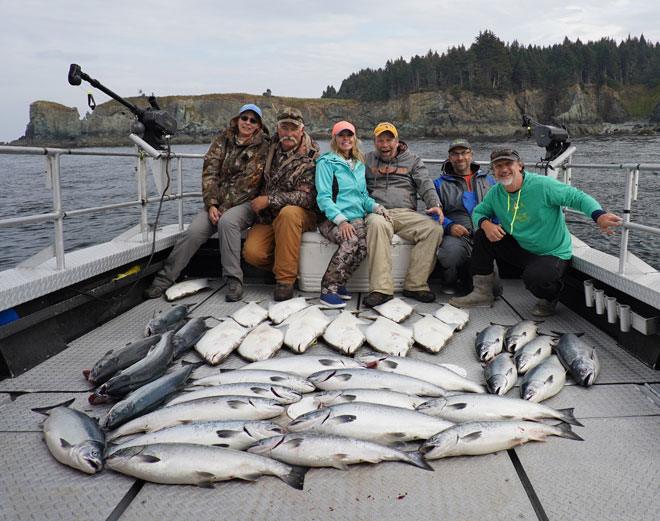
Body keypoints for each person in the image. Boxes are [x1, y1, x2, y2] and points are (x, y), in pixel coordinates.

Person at [450, 147, 623, 316]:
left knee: (535, 278)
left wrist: (598, 216)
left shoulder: (542, 185)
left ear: (520, 165)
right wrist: (486, 224)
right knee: (482, 234)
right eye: (498, 166)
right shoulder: (496, 192)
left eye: (508, 164)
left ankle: (551, 297)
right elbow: (479, 212)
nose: (504, 169)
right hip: (521, 248)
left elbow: (577, 197)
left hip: (551, 252)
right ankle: (482, 293)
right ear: (493, 171)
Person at [143, 104, 269, 301]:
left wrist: (222, 209)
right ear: (237, 119)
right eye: (245, 118)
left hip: (246, 203)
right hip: (217, 203)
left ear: (259, 125)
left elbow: (249, 183)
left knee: (228, 222)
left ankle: (234, 281)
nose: (248, 122)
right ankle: (163, 280)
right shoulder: (222, 140)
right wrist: (211, 204)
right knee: (193, 232)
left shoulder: (265, 145)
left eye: (253, 120)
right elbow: (209, 173)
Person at [362, 122, 444, 307]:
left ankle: (415, 285)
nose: (385, 145)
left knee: (434, 229)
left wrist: (434, 204)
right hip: (378, 211)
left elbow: (425, 183)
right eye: (380, 140)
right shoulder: (365, 159)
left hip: (406, 212)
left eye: (389, 140)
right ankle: (381, 289)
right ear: (374, 142)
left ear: (397, 141)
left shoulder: (413, 160)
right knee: (377, 225)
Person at [242, 107, 320, 301]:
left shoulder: (312, 157)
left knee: (289, 213)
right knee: (253, 254)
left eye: (293, 129)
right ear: (277, 129)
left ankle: (285, 281)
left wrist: (269, 200)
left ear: (302, 130)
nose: (289, 133)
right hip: (268, 217)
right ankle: (289, 265)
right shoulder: (268, 148)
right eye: (284, 128)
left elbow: (306, 198)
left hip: (301, 215)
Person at [315, 121, 389, 308]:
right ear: (335, 139)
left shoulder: (358, 164)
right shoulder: (326, 162)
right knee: (351, 241)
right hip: (331, 218)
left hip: (356, 216)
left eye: (349, 135)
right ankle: (327, 289)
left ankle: (340, 283)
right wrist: (341, 221)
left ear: (355, 139)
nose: (346, 139)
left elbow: (363, 196)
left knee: (364, 247)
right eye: (341, 135)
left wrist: (376, 207)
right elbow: (323, 197)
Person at [433, 138, 496, 294]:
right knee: (451, 254)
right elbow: (432, 212)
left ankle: (469, 277)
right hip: (455, 235)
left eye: (464, 153)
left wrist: (496, 225)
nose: (460, 158)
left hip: (483, 234)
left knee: (494, 290)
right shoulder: (439, 184)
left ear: (471, 155)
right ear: (449, 157)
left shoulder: (487, 180)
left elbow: (499, 207)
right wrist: (449, 226)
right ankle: (449, 280)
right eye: (455, 154)